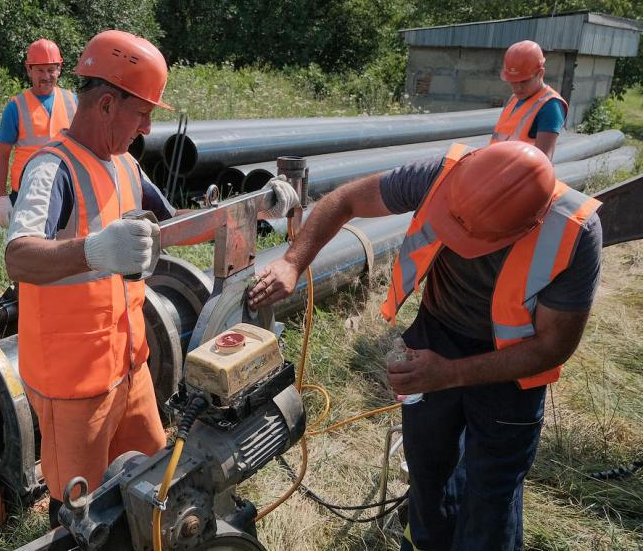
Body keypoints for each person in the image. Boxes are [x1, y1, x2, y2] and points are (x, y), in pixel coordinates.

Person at [5, 30, 299, 525]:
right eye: (141, 113)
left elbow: (175, 227)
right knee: (78, 510)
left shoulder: (125, 166)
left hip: (129, 366)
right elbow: (19, 257)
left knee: (155, 481)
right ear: (104, 104)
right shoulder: (51, 169)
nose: (145, 127)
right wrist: (94, 250)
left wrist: (253, 209)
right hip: (74, 384)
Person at [248, 141, 602, 550]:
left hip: (514, 368)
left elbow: (551, 348)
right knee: (427, 468)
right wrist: (293, 262)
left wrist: (451, 374)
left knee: (492, 491)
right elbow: (345, 200)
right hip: (437, 335)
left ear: (526, 225)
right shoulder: (442, 176)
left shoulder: (574, 232)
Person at [0, 38, 77, 226]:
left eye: (51, 70)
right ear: (29, 69)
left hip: (65, 192)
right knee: (27, 252)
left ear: (59, 69)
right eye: (39, 70)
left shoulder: (73, 102)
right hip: (26, 194)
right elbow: (2, 155)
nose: (46, 76)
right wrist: (2, 197)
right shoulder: (16, 107)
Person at [491, 40, 567, 160]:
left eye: (524, 81)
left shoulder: (551, 106)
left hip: (519, 177)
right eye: (513, 82)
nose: (518, 88)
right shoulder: (514, 99)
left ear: (540, 73)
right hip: (497, 172)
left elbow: (542, 163)